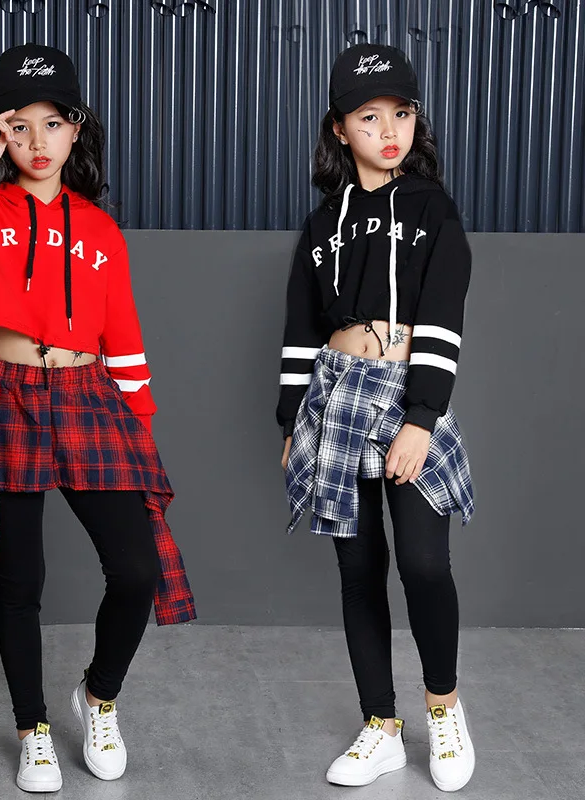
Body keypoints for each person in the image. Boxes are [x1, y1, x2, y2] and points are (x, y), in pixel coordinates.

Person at [0, 43, 195, 794]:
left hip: (90, 395)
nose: (37, 142)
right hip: (9, 394)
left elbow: (124, 336)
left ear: (76, 129)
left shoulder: (100, 229)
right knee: (21, 576)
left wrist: (139, 429)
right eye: (18, 127)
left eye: (53, 124)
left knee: (136, 569)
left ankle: (98, 699)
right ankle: (32, 728)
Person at [277, 43, 475, 792]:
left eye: (401, 113)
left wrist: (422, 417)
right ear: (339, 128)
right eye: (368, 117)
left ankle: (444, 709)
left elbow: (444, 315)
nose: (388, 130)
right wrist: (290, 421)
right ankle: (381, 725)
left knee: (423, 562)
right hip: (334, 394)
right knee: (358, 569)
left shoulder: (432, 209)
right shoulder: (322, 222)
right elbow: (301, 328)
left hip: (403, 390)